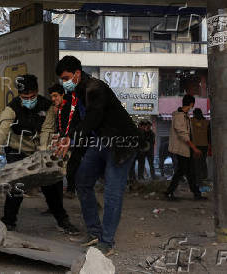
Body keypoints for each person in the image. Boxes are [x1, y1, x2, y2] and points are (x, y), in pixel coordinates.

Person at [55, 56, 139, 256]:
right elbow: (78, 119)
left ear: (77, 73)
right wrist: (67, 136)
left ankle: (107, 242)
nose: (63, 82)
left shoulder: (95, 88)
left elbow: (93, 117)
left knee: (112, 191)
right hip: (101, 141)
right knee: (81, 181)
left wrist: (73, 140)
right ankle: (94, 232)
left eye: (66, 77)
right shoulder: (77, 92)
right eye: (61, 79)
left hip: (121, 142)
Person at [0, 74, 79, 235]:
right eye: (25, 97)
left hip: (39, 148)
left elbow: (48, 128)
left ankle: (63, 220)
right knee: (17, 184)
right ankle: (9, 221)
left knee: (51, 185)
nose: (29, 99)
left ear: (37, 92)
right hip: (17, 149)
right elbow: (3, 126)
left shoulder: (46, 106)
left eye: (32, 96)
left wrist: (43, 151)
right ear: (19, 95)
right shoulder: (12, 107)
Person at [165, 94, 207, 201]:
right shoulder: (179, 116)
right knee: (182, 171)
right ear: (191, 104)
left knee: (189, 171)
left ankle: (196, 194)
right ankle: (169, 192)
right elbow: (183, 134)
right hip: (182, 149)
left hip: (186, 149)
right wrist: (194, 148)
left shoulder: (184, 115)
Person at [48, 83, 83, 199]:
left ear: (62, 94)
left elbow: (74, 125)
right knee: (67, 167)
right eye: (51, 97)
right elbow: (60, 127)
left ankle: (74, 190)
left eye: (55, 96)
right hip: (66, 141)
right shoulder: (59, 108)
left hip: (75, 142)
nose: (53, 99)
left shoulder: (71, 108)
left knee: (73, 167)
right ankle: (70, 190)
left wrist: (66, 136)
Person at [191, 108, 211, 185]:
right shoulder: (206, 122)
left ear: (195, 114)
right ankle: (202, 177)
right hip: (204, 146)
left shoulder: (191, 121)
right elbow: (209, 135)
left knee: (197, 164)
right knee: (202, 162)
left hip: (196, 146)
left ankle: (199, 180)